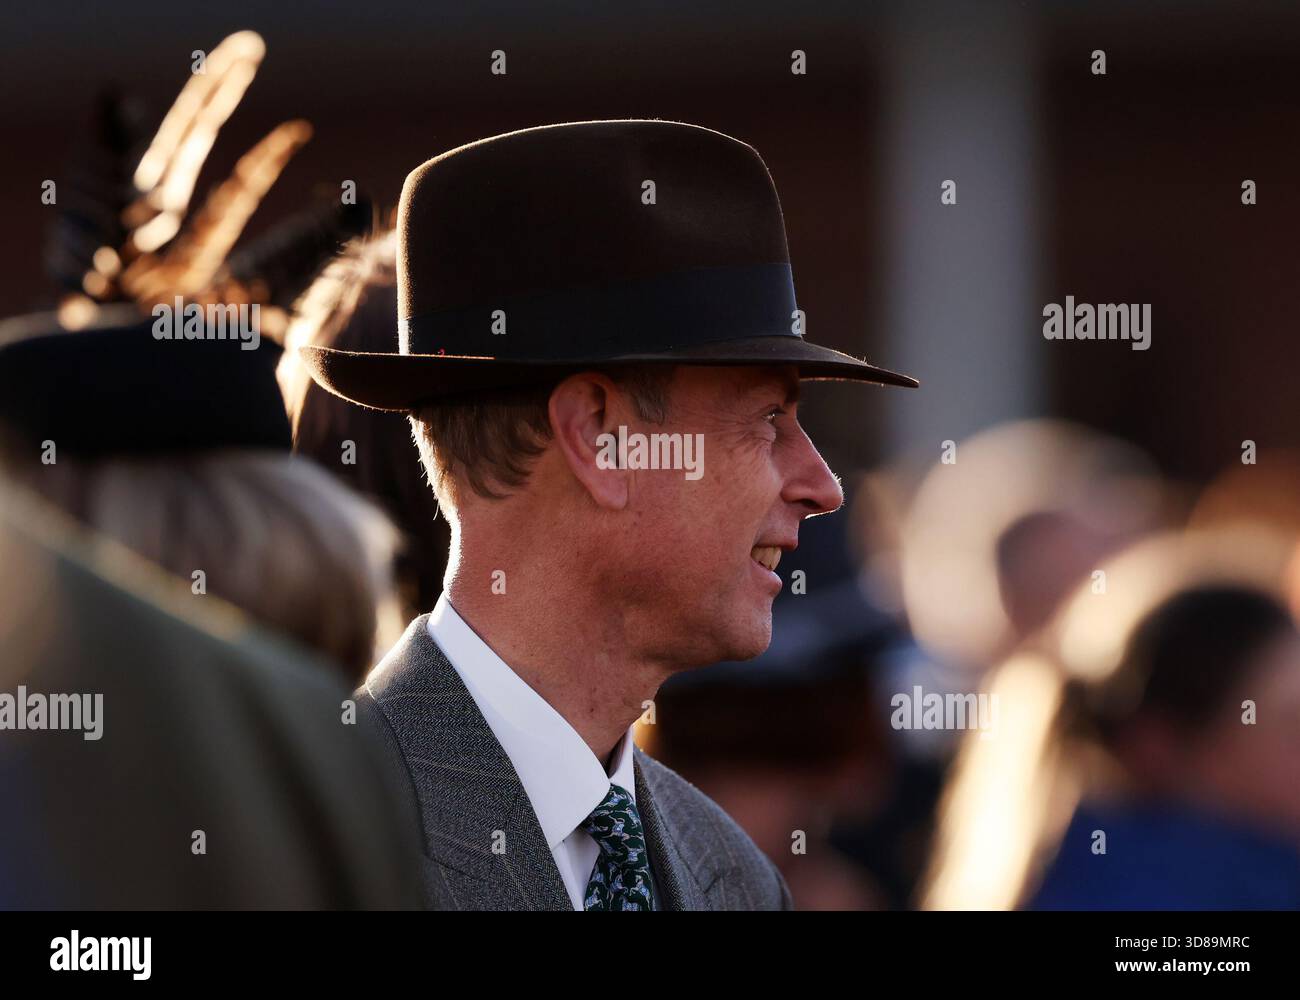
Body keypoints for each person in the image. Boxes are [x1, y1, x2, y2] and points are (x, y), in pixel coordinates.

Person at [302, 119, 918, 910]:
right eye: (767, 418)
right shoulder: (316, 848)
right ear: (599, 437)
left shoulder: (730, 874)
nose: (821, 484)